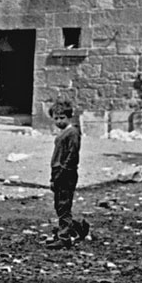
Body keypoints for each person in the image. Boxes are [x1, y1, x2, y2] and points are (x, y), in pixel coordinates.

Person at [47, 100, 89, 249]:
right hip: (59, 172)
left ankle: (64, 238)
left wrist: (62, 173)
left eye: (62, 118)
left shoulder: (72, 133)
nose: (59, 121)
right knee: (59, 206)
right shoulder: (64, 133)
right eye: (56, 118)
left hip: (66, 173)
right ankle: (76, 228)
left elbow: (72, 156)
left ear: (69, 117)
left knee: (64, 205)